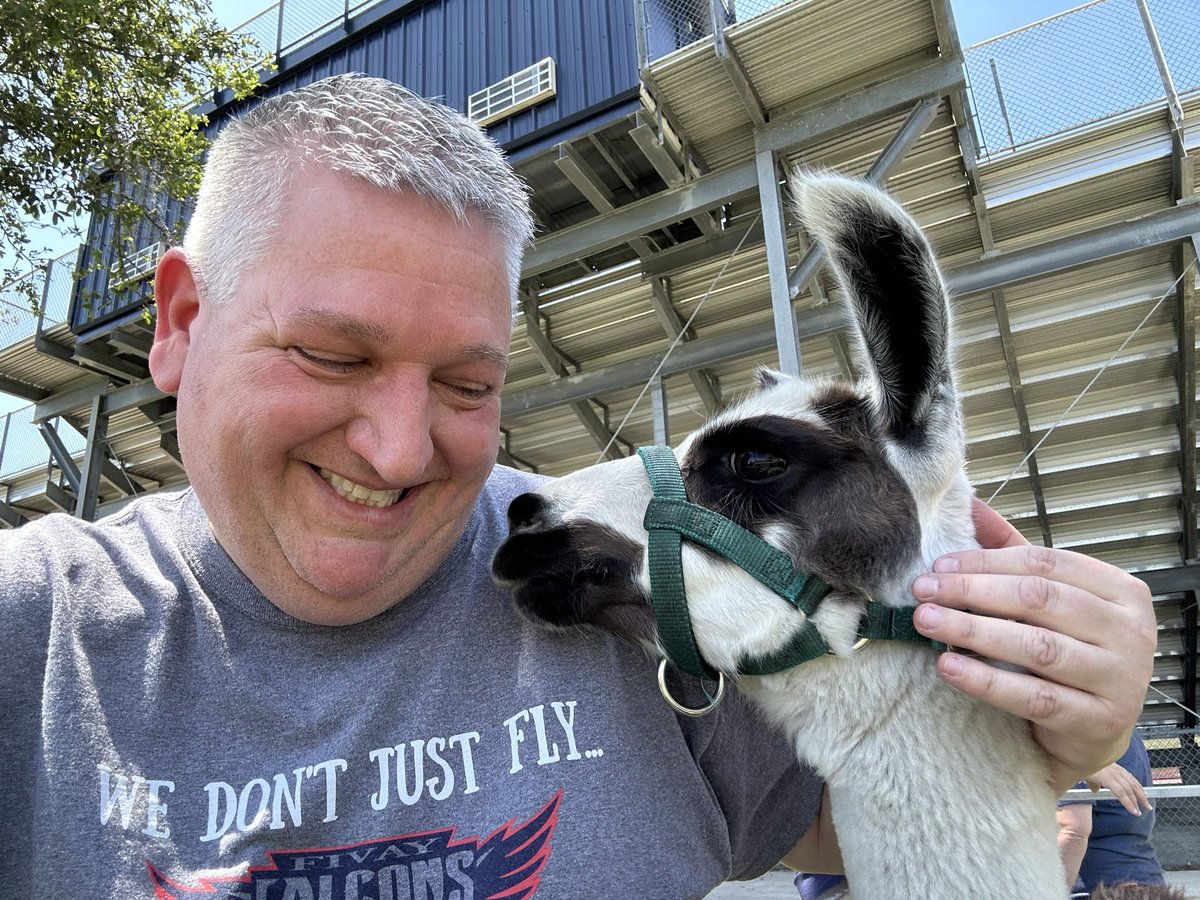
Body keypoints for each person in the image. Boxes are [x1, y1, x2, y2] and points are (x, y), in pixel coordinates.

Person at [0, 74, 1157, 898]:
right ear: (182, 325)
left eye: (466, 381)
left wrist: (1065, 718)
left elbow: (909, 803)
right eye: (331, 355)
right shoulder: (35, 636)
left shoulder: (671, 657)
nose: (401, 453)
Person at [1058, 730, 1168, 895]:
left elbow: (1073, 830)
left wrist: (1053, 893)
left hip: (1099, 889)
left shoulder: (1070, 730)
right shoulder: (1121, 726)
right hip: (1143, 881)